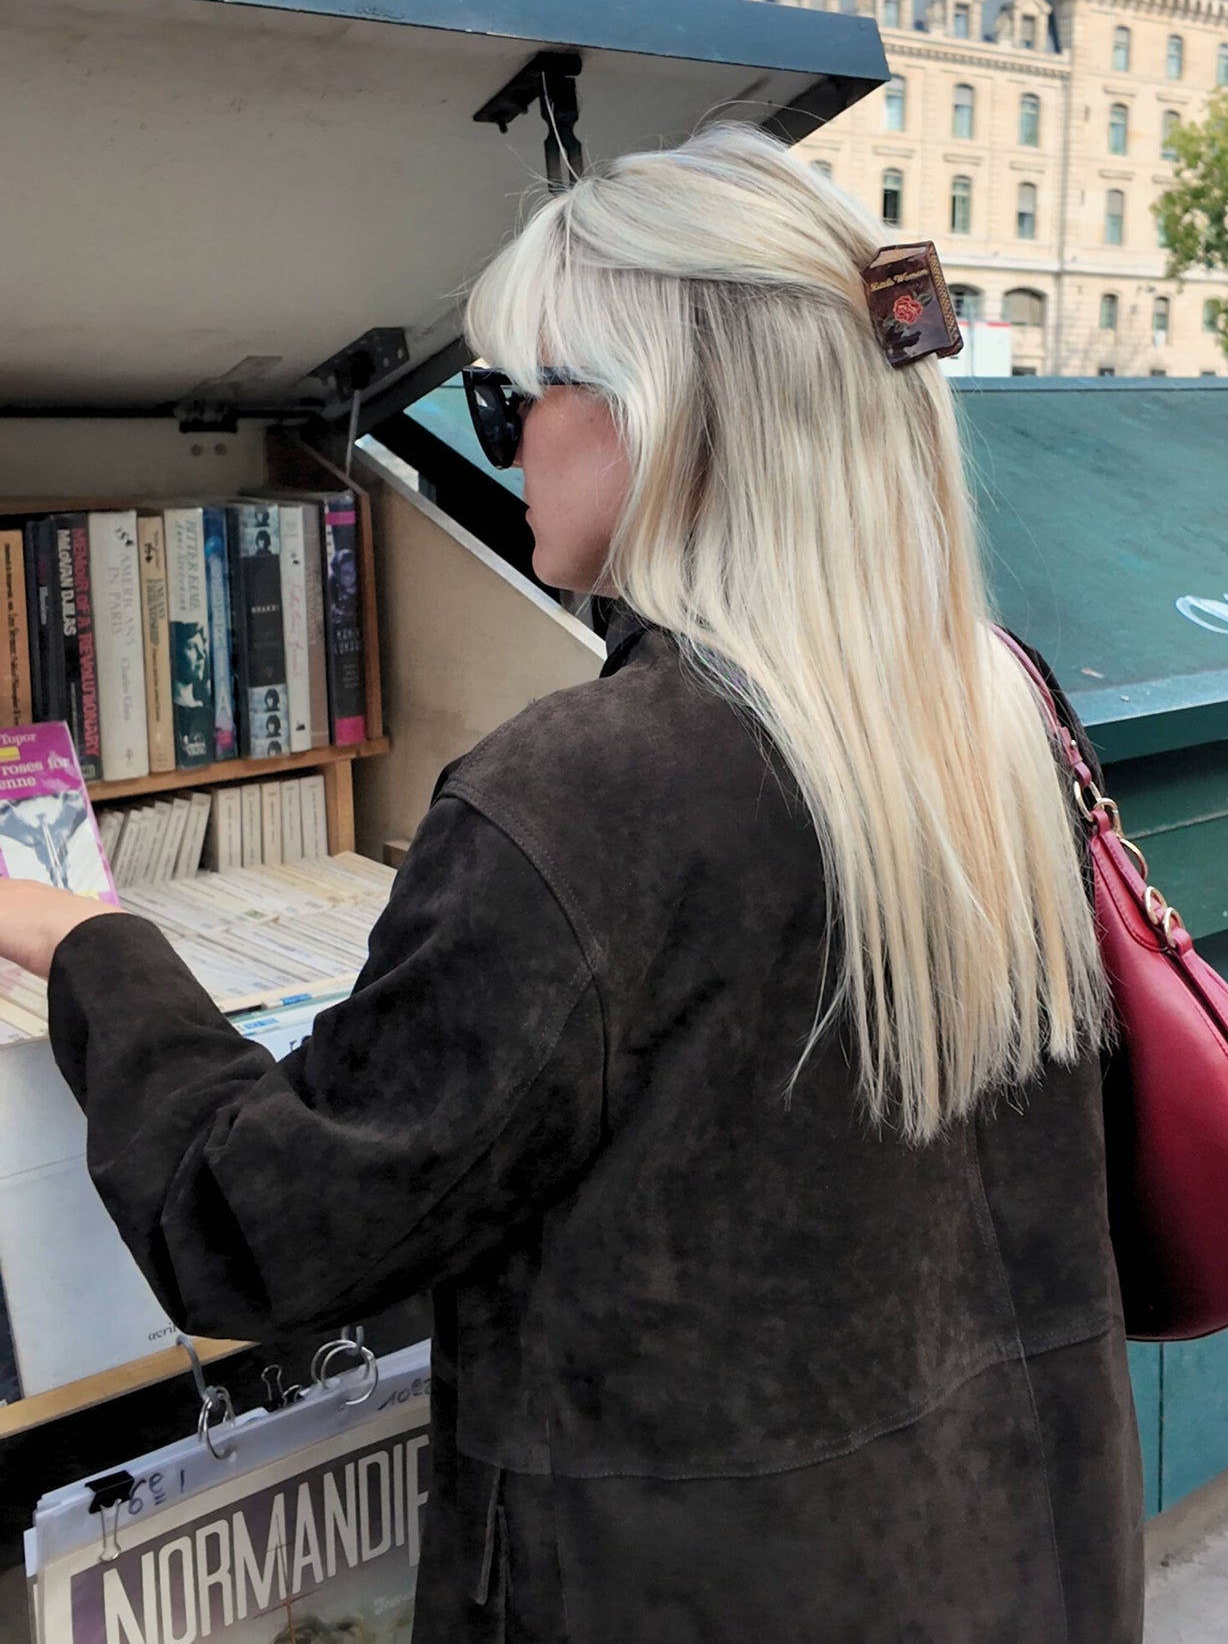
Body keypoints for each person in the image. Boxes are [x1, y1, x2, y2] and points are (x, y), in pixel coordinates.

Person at [0, 126, 1143, 1641]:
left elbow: (259, 1231)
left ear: (651, 416)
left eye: (511, 398)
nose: (503, 447)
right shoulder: (992, 700)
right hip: (1015, 1558)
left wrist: (91, 938)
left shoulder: (591, 789)